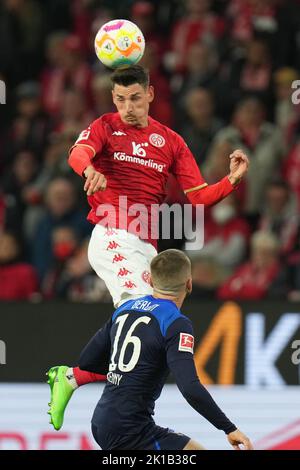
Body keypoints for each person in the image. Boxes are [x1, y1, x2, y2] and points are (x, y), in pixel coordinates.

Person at [47, 64, 249, 431]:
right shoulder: (106, 126)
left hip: (145, 246)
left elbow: (198, 197)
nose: (128, 107)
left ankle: (73, 377)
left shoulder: (170, 141)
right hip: (111, 234)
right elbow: (78, 153)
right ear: (113, 98)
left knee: (138, 330)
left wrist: (231, 181)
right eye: (121, 99)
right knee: (150, 322)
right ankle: (124, 419)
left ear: (150, 95)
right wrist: (88, 170)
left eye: (136, 98)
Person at [65, 249, 253, 450]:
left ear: (151, 281)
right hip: (131, 430)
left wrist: (125, 373)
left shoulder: (125, 308)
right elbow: (190, 388)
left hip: (101, 421)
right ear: (189, 284)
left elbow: (86, 361)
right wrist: (229, 428)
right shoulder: (175, 323)